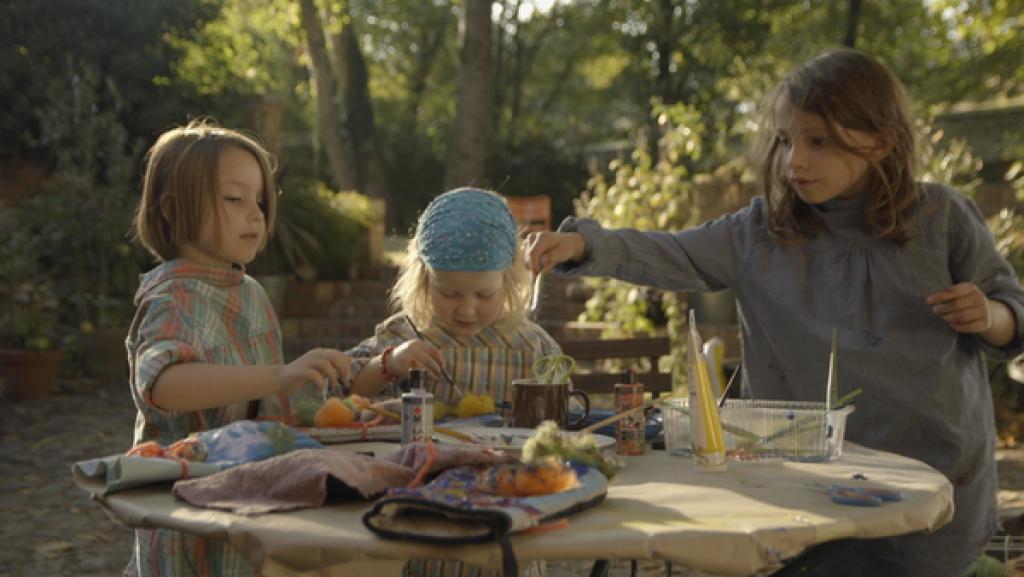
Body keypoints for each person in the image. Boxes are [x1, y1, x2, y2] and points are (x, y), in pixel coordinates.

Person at [526, 49, 1024, 577]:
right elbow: (673, 252)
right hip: (801, 485)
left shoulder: (944, 217)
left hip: (936, 475)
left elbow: (1012, 311)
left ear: (879, 140)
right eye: (786, 140)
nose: (795, 162)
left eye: (819, 141)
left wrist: (988, 315)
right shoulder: (761, 233)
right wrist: (582, 245)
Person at [127, 118, 352, 577]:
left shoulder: (250, 291)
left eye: (261, 201)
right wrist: (280, 374)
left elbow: (271, 398)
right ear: (171, 209)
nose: (256, 213)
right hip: (189, 512)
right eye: (234, 199)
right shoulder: (174, 294)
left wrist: (352, 376)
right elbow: (163, 383)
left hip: (249, 499)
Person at [348, 187, 561, 577]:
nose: (466, 309)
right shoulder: (403, 337)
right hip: (419, 529)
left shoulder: (532, 349)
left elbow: (555, 434)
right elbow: (344, 395)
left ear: (511, 280)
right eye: (448, 293)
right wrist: (389, 364)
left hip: (508, 528)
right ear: (423, 280)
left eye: (484, 294)